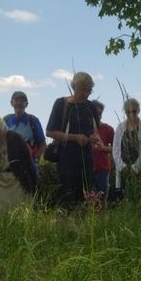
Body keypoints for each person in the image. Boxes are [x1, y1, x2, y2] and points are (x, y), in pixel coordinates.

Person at [45, 71, 101, 208]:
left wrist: (94, 138)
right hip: (66, 158)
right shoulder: (61, 104)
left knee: (86, 195)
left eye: (89, 90)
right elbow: (50, 132)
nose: (85, 94)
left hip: (86, 159)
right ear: (73, 86)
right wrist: (74, 138)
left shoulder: (91, 107)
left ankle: (84, 224)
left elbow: (95, 131)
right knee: (67, 195)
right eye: (82, 89)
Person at [0, 115, 36, 214]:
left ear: (4, 129)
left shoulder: (16, 138)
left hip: (17, 179)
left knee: (21, 211)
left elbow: (27, 163)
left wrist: (31, 183)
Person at [112, 98, 141, 194]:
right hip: (124, 170)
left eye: (134, 111)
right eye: (128, 112)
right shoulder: (120, 127)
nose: (131, 114)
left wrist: (135, 168)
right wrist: (122, 167)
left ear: (138, 110)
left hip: (140, 169)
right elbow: (115, 148)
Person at [4, 91, 46, 180]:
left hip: (29, 167)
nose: (19, 103)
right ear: (11, 103)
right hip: (9, 168)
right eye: (16, 100)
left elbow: (43, 144)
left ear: (26, 104)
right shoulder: (6, 120)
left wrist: (34, 160)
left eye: (22, 101)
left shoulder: (33, 120)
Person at [90, 100, 115, 200]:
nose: (98, 115)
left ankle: (103, 215)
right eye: (95, 113)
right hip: (86, 167)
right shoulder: (83, 129)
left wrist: (103, 148)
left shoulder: (108, 129)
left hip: (102, 168)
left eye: (100, 113)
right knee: (88, 197)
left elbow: (115, 148)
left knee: (102, 196)